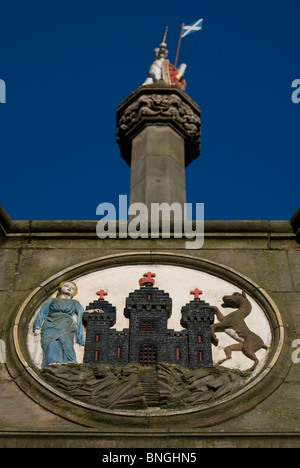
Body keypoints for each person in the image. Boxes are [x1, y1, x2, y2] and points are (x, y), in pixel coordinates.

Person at [33, 281, 84, 367]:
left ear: (74, 293)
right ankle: (52, 362)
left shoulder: (75, 302)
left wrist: (91, 312)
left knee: (67, 343)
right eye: (66, 286)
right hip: (50, 324)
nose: (69, 288)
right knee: (51, 342)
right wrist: (37, 327)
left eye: (72, 288)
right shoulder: (52, 300)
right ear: (60, 288)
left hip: (66, 325)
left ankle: (70, 362)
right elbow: (42, 313)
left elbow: (81, 313)